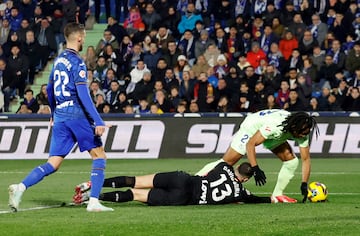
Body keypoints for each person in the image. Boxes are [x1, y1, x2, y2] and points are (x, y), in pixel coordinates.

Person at [8, 23, 113, 212]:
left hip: (61, 116)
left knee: (53, 163)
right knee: (99, 156)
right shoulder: (77, 62)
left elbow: (49, 90)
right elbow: (83, 94)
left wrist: (54, 113)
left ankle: (20, 187)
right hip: (76, 114)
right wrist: (98, 120)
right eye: (84, 36)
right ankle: (94, 202)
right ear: (80, 38)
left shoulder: (57, 61)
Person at [195, 109, 319, 202]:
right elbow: (250, 144)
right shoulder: (276, 126)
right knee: (227, 162)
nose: (303, 136)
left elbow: (306, 159)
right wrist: (255, 168)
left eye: (306, 133)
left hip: (273, 135)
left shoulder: (302, 131)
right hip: (252, 128)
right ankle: (195, 180)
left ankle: (277, 195)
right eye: (302, 134)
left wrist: (304, 183)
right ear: (294, 127)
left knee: (291, 161)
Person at [73, 162, 296, 206]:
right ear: (245, 179)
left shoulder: (224, 167)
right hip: (184, 199)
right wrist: (274, 198)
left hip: (184, 179)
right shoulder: (241, 193)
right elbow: (256, 199)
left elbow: (215, 168)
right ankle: (91, 199)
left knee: (137, 180)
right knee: (136, 194)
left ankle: (92, 186)